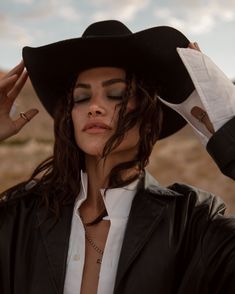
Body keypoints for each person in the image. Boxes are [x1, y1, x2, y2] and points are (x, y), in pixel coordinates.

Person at [0, 20, 235, 294]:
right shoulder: (17, 218)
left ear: (149, 116)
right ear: (70, 117)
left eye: (116, 95)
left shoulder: (192, 222)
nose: (95, 107)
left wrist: (229, 122)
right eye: (81, 97)